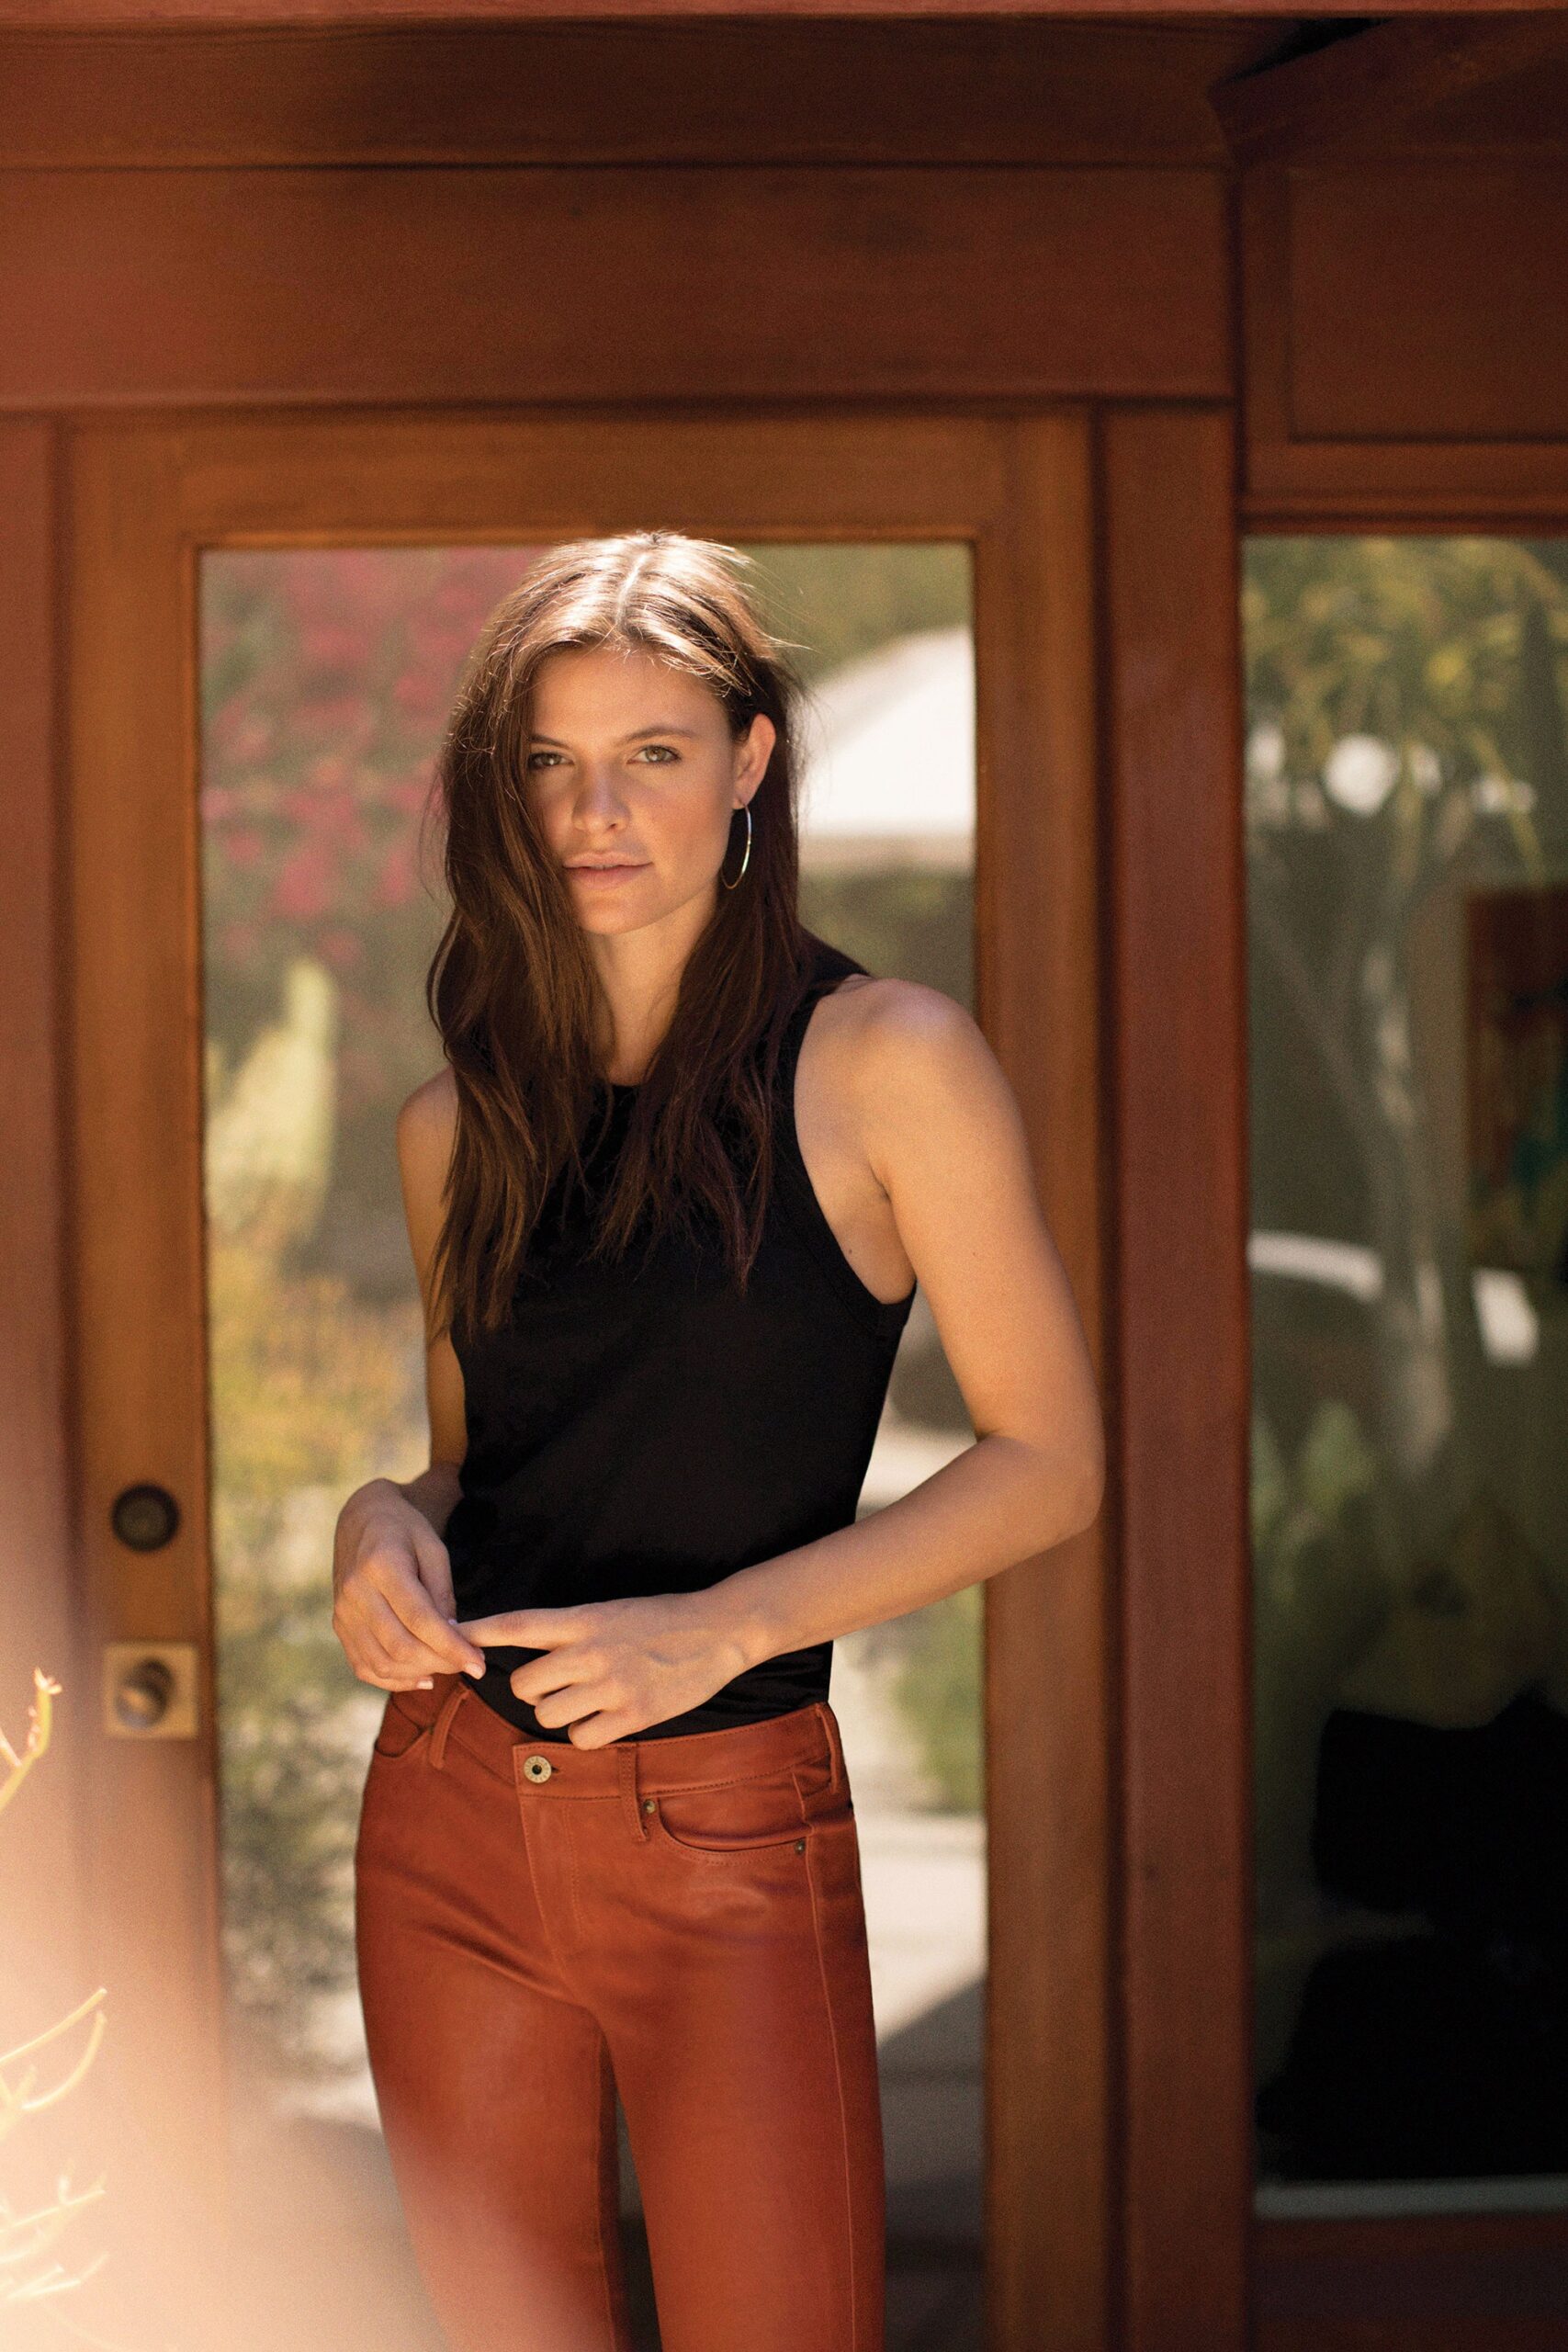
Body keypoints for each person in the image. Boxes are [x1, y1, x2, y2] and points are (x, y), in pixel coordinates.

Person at [335, 530, 1104, 2352]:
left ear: (749, 760)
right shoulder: (459, 1123)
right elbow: (478, 1465)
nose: (593, 809)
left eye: (651, 754)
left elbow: (1047, 1458)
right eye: (548, 763)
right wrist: (383, 1512)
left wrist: (725, 1625)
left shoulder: (883, 1060)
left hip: (728, 1822)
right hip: (442, 1813)